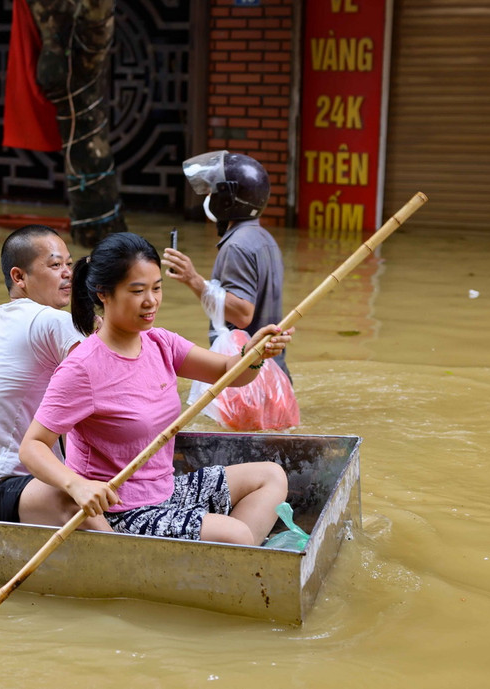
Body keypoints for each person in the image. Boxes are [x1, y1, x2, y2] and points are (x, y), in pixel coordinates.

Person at [20, 232, 292, 545]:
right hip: (121, 510)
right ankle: (234, 550)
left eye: (157, 288)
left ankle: (232, 557)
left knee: (271, 476)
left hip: (167, 490)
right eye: (138, 291)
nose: (151, 301)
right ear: (103, 294)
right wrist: (76, 485)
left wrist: (254, 355)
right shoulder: (82, 367)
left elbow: (229, 372)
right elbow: (33, 446)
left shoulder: (160, 342)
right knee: (237, 535)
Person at [0, 224, 111, 531]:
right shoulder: (52, 320)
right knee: (76, 501)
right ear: (19, 277)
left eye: (68, 264)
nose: (67, 273)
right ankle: (129, 561)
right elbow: (106, 389)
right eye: (54, 265)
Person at [163, 150, 290, 380]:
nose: (209, 196)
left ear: (228, 198)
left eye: (213, 191)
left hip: (249, 379)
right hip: (274, 375)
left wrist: (193, 280)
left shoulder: (237, 245)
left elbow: (242, 315)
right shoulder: (265, 239)